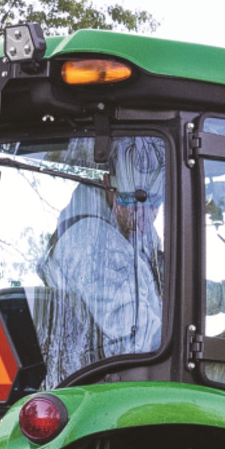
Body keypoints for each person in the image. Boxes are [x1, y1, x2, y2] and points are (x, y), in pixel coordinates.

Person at [37, 137, 167, 383]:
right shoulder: (94, 243)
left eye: (155, 204)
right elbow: (139, 342)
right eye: (133, 200)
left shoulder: (133, 232)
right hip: (96, 390)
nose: (144, 217)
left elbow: (175, 285)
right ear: (108, 184)